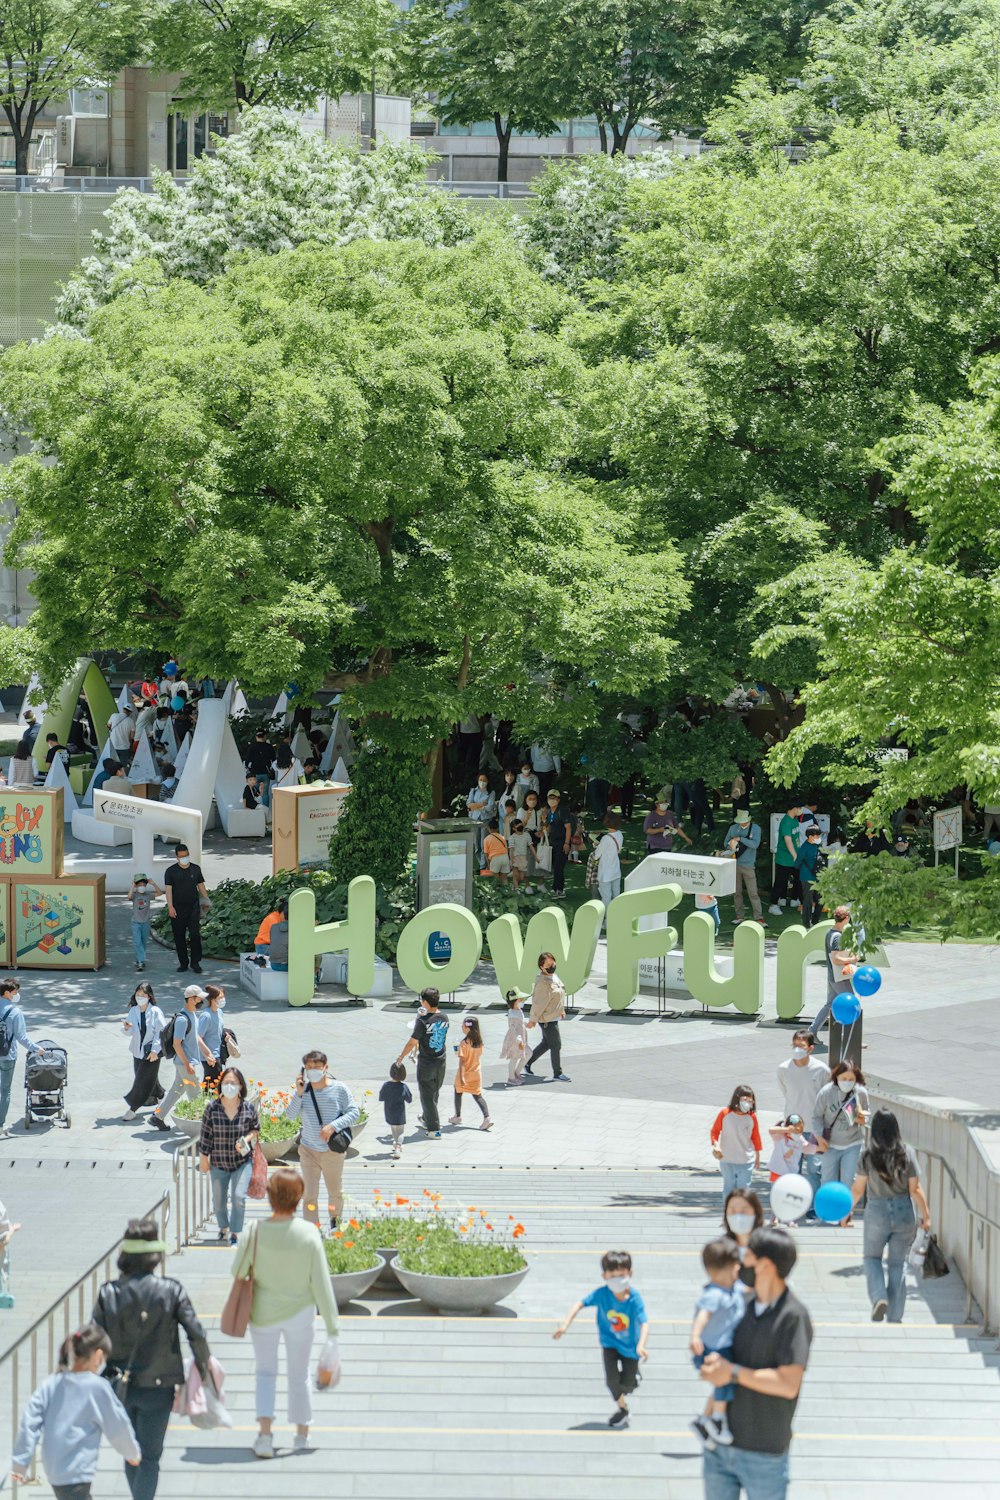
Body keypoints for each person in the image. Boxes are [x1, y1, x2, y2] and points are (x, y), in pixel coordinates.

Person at [92, 1216, 210, 1500]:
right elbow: (197, 1333)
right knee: (150, 1456)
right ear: (155, 1256)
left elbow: (94, 1340)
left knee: (131, 1452)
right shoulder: (171, 1290)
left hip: (119, 1385)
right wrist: (203, 1371)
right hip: (160, 1385)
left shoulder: (108, 1293)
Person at [699, 1227, 813, 1500]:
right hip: (719, 1448)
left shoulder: (793, 1317)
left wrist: (733, 1372)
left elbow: (788, 1383)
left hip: (764, 1453)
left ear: (765, 1265)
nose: (740, 1263)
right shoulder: (741, 1305)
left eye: (747, 1255)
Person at [234, 1168, 340, 1459]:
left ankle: (265, 1436)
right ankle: (301, 1436)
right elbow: (321, 1283)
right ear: (298, 1197)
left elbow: (238, 1272)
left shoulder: (254, 1232)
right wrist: (333, 1328)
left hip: (263, 1314)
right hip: (301, 1314)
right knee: (300, 1374)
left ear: (269, 1196)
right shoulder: (308, 1233)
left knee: (265, 1373)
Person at [12, 1323, 141, 1498]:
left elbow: (30, 1421)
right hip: (77, 1470)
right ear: (98, 1355)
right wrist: (131, 1452)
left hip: (54, 1468)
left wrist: (20, 1462)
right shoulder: (97, 1387)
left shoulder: (51, 1383)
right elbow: (117, 1425)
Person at [552, 1249, 649, 1429]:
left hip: (630, 1347)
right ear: (604, 1275)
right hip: (609, 1344)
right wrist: (565, 1325)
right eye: (612, 1274)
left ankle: (633, 1377)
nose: (616, 1279)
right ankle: (623, 1409)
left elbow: (644, 1323)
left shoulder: (635, 1299)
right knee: (612, 1381)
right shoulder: (602, 1294)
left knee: (628, 1385)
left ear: (630, 1273)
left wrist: (641, 1345)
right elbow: (580, 1304)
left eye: (621, 1274)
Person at [851, 1108, 931, 1323]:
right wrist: (926, 1215)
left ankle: (879, 1297)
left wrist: (847, 1212)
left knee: (872, 1258)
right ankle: (895, 1315)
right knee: (897, 1263)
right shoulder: (907, 1152)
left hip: (877, 1211)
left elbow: (858, 1189)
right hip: (904, 1211)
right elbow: (915, 1189)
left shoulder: (867, 1154)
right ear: (896, 1128)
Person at [284, 1050, 360, 1231]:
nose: (312, 1071)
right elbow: (290, 1115)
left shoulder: (339, 1089)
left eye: (316, 1067)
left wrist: (333, 1126)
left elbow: (354, 1113)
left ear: (325, 1067)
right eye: (308, 1068)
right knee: (309, 1194)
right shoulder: (304, 1091)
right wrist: (299, 1093)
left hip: (331, 1152)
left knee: (335, 1192)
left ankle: (335, 1221)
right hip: (308, 1150)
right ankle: (312, 1228)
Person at [689, 1237, 746, 1449]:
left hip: (722, 1346)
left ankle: (703, 1421)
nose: (738, 1268)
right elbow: (703, 1315)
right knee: (725, 1381)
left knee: (721, 1382)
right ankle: (717, 1419)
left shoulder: (732, 1288)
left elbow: (748, 1292)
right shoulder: (714, 1294)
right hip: (711, 1349)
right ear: (720, 1271)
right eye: (734, 1265)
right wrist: (695, 1336)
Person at [199, 1066, 260, 1245]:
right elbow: (205, 1134)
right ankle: (223, 1227)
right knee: (218, 1200)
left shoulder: (248, 1108)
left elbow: (255, 1129)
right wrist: (204, 1158)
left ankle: (235, 1232)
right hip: (218, 1162)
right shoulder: (212, 1108)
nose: (230, 1086)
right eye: (226, 1083)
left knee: (238, 1197)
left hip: (242, 1161)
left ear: (241, 1086)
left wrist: (246, 1139)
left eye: (233, 1083)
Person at [777, 1032, 828, 1217]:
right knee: (792, 1169)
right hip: (792, 1129)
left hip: (815, 1128)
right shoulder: (783, 1068)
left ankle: (813, 1207)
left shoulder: (822, 1070)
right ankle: (794, 1206)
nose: (797, 1049)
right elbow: (786, 1092)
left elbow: (826, 1096)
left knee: (814, 1170)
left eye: (802, 1045)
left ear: (811, 1048)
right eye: (795, 1045)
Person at [149, 985, 213, 1133]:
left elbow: (195, 1037)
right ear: (191, 999)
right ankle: (203, 1126)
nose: (201, 1001)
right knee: (196, 1094)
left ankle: (157, 1117)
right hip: (185, 1064)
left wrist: (207, 1053)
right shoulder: (183, 1020)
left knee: (176, 1090)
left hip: (187, 1063)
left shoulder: (193, 1015)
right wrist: (187, 1063)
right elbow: (176, 1044)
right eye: (199, 998)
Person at [812, 1061, 870, 1214]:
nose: (847, 1082)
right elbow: (816, 1117)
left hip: (853, 1142)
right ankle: (826, 1210)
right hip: (830, 1144)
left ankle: (845, 1212)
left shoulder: (861, 1093)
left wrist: (861, 1119)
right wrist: (819, 1137)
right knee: (827, 1179)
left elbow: (867, 1114)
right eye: (844, 1078)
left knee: (848, 1179)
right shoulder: (826, 1092)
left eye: (851, 1079)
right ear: (836, 1077)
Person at [396, 988, 450, 1138]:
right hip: (441, 1061)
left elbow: (412, 1042)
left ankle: (434, 1129)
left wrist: (401, 1057)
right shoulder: (444, 1018)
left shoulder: (423, 1021)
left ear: (425, 1002)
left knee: (426, 1095)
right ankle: (427, 1118)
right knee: (434, 1092)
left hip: (426, 1063)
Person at [710, 1085, 762, 1210]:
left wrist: (758, 1156)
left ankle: (741, 1214)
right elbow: (714, 1132)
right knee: (729, 1188)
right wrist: (716, 1145)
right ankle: (729, 1215)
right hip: (727, 1159)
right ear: (737, 1098)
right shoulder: (725, 1114)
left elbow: (756, 1136)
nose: (748, 1103)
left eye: (750, 1101)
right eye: (745, 1099)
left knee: (744, 1190)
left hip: (746, 1160)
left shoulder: (752, 1116)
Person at [0, 978, 40, 1137]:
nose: (17, 995)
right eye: (15, 992)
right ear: (7, 993)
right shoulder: (15, 1012)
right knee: (5, 1090)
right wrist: (37, 1049)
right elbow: (22, 1038)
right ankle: (0, 1124)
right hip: (7, 1055)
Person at [122, 984, 166, 1121]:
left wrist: (155, 1051)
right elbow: (129, 1032)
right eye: (138, 995)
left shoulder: (156, 1011)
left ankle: (133, 1108)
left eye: (143, 995)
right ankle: (160, 1095)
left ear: (149, 996)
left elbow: (161, 1032)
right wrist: (126, 1028)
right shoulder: (133, 1011)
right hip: (137, 1051)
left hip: (151, 1052)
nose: (140, 997)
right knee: (146, 1077)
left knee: (142, 1080)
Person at [163, 844, 208, 974]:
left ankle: (195, 962)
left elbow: (201, 886)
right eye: (181, 856)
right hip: (177, 909)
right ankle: (183, 963)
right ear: (177, 857)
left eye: (186, 855)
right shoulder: (170, 871)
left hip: (193, 908)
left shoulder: (195, 869)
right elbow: (168, 890)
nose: (184, 858)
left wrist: (206, 900)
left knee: (195, 935)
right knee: (179, 936)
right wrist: (170, 907)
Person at [525, 952, 569, 1082]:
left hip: (554, 1015)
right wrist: (533, 1019)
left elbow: (559, 994)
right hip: (547, 1019)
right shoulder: (542, 983)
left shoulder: (554, 977)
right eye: (548, 964)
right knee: (556, 1045)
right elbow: (538, 1003)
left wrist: (562, 1009)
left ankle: (527, 1063)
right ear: (541, 967)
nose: (552, 966)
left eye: (553, 963)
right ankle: (557, 1073)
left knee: (546, 1043)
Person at [812, 905, 854, 1038]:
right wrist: (852, 959)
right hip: (839, 977)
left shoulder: (830, 933)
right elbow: (836, 959)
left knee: (829, 1005)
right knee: (851, 1004)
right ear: (846, 918)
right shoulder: (837, 937)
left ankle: (811, 1032)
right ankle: (850, 1038)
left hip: (833, 976)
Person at [449, 1016, 493, 1130]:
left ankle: (457, 1116)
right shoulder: (479, 1042)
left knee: (458, 1091)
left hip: (466, 1072)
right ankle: (487, 1117)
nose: (462, 1027)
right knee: (478, 1095)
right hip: (476, 1072)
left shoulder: (464, 1043)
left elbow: (462, 1061)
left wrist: (462, 1076)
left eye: (463, 1025)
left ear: (468, 1028)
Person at [724, 809, 765, 925]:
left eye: (744, 821)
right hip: (734, 863)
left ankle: (759, 917)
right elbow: (725, 842)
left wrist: (740, 839)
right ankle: (739, 915)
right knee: (737, 892)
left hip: (748, 865)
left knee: (753, 892)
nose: (742, 823)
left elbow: (755, 844)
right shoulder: (733, 828)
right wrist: (731, 844)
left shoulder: (755, 829)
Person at [769, 801, 802, 914]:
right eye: (799, 807)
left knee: (799, 880)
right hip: (784, 858)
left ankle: (795, 900)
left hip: (794, 858)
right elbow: (788, 841)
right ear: (794, 808)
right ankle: (773, 905)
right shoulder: (786, 822)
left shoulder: (794, 820)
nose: (801, 810)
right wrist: (795, 856)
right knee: (780, 882)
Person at [197, 984, 230, 1091]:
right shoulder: (206, 1016)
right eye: (220, 997)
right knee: (213, 1084)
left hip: (218, 1053)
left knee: (212, 1084)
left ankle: (203, 1104)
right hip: (210, 1057)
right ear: (212, 999)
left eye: (223, 997)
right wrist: (207, 1055)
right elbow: (198, 1037)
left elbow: (217, 1029)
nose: (223, 1000)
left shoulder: (219, 1012)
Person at [128, 873, 162, 973]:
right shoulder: (135, 895)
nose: (141, 886)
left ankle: (139, 958)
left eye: (143, 884)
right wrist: (132, 886)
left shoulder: (148, 895)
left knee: (143, 943)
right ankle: (141, 962)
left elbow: (160, 893)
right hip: (136, 923)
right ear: (136, 885)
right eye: (139, 884)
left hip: (145, 923)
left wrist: (153, 883)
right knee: (137, 942)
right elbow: (129, 896)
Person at [792, 825, 825, 927]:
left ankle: (815, 921)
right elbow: (797, 862)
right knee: (808, 901)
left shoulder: (818, 845)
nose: (819, 837)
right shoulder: (804, 847)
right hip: (807, 877)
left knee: (820, 900)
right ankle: (806, 923)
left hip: (817, 876)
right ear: (810, 836)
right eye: (817, 835)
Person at [544, 789, 573, 898]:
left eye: (554, 798)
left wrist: (566, 843)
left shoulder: (563, 811)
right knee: (556, 867)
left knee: (558, 867)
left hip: (562, 842)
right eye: (550, 798)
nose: (552, 800)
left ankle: (556, 889)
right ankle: (559, 889)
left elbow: (568, 828)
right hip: (552, 843)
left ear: (558, 799)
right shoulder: (549, 812)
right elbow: (548, 827)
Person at [595, 813, 625, 917]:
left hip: (605, 872)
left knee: (606, 898)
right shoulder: (620, 834)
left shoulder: (605, 838)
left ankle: (606, 921)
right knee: (616, 895)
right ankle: (616, 917)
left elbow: (596, 855)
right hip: (616, 870)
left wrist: (596, 845)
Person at [379, 1062, 411, 1158]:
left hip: (389, 1111)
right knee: (401, 1131)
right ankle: (398, 1147)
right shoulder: (403, 1087)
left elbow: (381, 1097)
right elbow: (409, 1099)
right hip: (400, 1112)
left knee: (393, 1128)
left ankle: (395, 1142)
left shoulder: (386, 1085)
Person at [518, 790, 545, 890]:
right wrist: (526, 819)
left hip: (537, 837)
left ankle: (541, 884)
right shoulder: (521, 811)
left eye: (534, 799)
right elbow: (519, 827)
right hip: (526, 837)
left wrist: (541, 831)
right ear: (526, 800)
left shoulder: (539, 811)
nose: (532, 801)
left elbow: (542, 824)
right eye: (530, 799)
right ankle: (527, 885)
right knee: (527, 861)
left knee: (540, 859)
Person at [501, 989, 529, 1086]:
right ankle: (511, 1077)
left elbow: (519, 1023)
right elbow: (512, 1028)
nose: (522, 1001)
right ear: (514, 1001)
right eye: (519, 999)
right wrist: (519, 1041)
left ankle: (516, 1073)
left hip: (521, 1038)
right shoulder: (512, 1013)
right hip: (515, 1040)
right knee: (514, 1058)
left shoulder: (518, 1010)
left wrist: (526, 1024)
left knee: (527, 1054)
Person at [466, 774, 495, 865]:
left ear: (488, 781)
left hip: (485, 820)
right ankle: (479, 864)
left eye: (484, 780)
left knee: (484, 844)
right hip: (474, 820)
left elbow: (490, 807)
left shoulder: (491, 792)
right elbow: (469, 805)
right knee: (476, 844)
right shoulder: (473, 791)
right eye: (480, 780)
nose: (482, 782)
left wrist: (476, 806)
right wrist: (482, 804)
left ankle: (483, 865)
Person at [481, 819, 510, 884]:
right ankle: (507, 891)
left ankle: (497, 891)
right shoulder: (502, 837)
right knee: (504, 878)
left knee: (496, 878)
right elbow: (506, 849)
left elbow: (486, 854)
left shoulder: (486, 839)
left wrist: (489, 865)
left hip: (495, 858)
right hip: (505, 857)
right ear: (498, 828)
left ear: (488, 828)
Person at [508, 817, 532, 892]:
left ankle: (515, 886)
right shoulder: (512, 838)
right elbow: (511, 850)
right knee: (516, 875)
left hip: (523, 858)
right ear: (513, 828)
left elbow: (530, 845)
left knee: (521, 876)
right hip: (515, 858)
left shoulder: (526, 835)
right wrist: (511, 860)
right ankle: (516, 889)